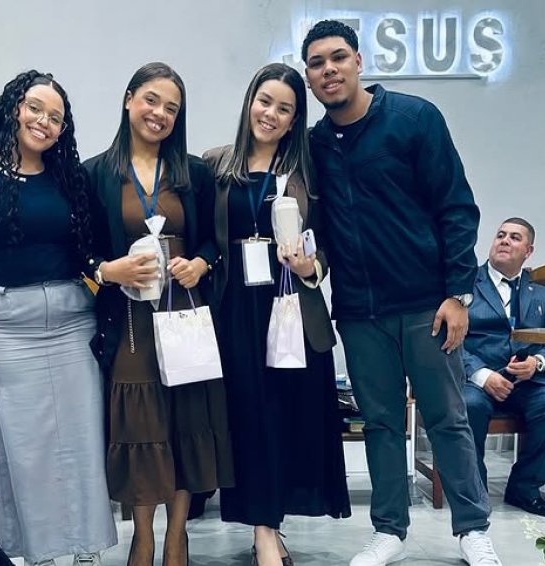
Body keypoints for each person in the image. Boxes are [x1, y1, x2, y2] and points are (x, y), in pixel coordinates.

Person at [302, 20, 503, 566]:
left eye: (337, 57)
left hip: (426, 306)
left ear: (359, 61)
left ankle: (473, 528)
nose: (329, 70)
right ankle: (389, 530)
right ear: (309, 76)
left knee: (447, 419)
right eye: (317, 63)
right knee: (382, 424)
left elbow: (457, 207)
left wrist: (459, 294)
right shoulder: (314, 144)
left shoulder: (414, 118)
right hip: (359, 312)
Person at [0, 71, 116, 566]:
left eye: (56, 117)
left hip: (71, 322)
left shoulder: (69, 178)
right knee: (27, 451)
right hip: (8, 327)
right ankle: (40, 554)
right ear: (13, 108)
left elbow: (88, 254)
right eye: (35, 108)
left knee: (81, 443)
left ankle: (85, 550)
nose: (44, 121)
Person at [84, 62, 233, 566]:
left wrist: (201, 263)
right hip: (129, 324)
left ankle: (177, 538)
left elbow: (213, 241)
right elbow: (80, 249)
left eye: (172, 108)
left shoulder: (195, 173)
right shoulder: (96, 173)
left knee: (185, 424)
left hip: (185, 314)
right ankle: (144, 537)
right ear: (129, 99)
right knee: (140, 426)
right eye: (151, 100)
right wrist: (109, 269)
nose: (160, 114)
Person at [203, 62, 351, 566]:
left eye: (284, 108)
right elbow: (205, 239)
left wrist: (312, 267)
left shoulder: (309, 171)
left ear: (294, 120)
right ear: (250, 102)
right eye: (264, 101)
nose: (271, 114)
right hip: (234, 311)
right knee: (249, 418)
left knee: (287, 418)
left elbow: (327, 243)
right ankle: (262, 529)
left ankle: (271, 526)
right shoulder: (215, 165)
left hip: (291, 310)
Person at [463, 218, 545, 517]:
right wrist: (483, 375)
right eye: (501, 235)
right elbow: (448, 339)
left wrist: (537, 363)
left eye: (515, 237)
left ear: (528, 251)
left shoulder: (543, 291)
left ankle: (524, 488)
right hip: (476, 379)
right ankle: (474, 492)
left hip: (528, 381)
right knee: (468, 405)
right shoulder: (465, 282)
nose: (504, 240)